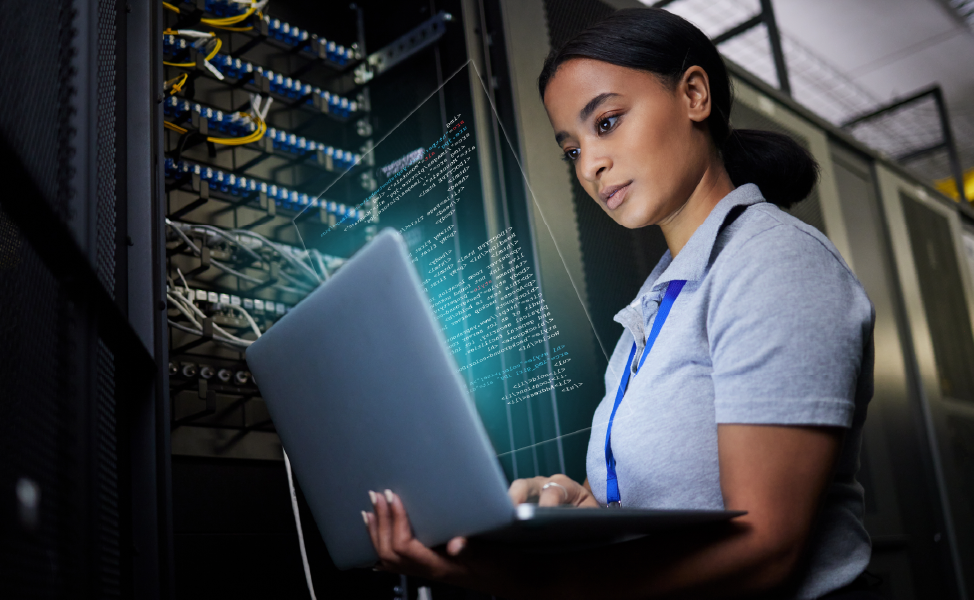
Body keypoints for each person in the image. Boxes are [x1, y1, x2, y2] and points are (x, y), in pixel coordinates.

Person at [361, 7, 879, 599]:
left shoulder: (774, 262)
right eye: (570, 149)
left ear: (694, 94)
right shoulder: (657, 305)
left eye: (606, 122)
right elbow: (668, 504)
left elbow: (767, 549)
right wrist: (583, 503)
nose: (589, 165)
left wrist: (541, 582)